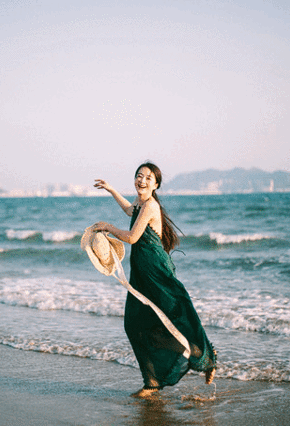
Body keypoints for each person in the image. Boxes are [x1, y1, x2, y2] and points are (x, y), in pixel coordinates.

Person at [92, 162, 216, 398]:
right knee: (135, 324)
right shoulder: (140, 203)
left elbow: (131, 237)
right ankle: (151, 381)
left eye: (148, 178)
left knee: (174, 316)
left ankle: (203, 356)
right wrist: (111, 189)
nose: (142, 180)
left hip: (156, 271)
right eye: (139, 176)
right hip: (141, 273)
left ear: (156, 185)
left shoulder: (150, 205)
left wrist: (108, 227)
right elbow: (129, 210)